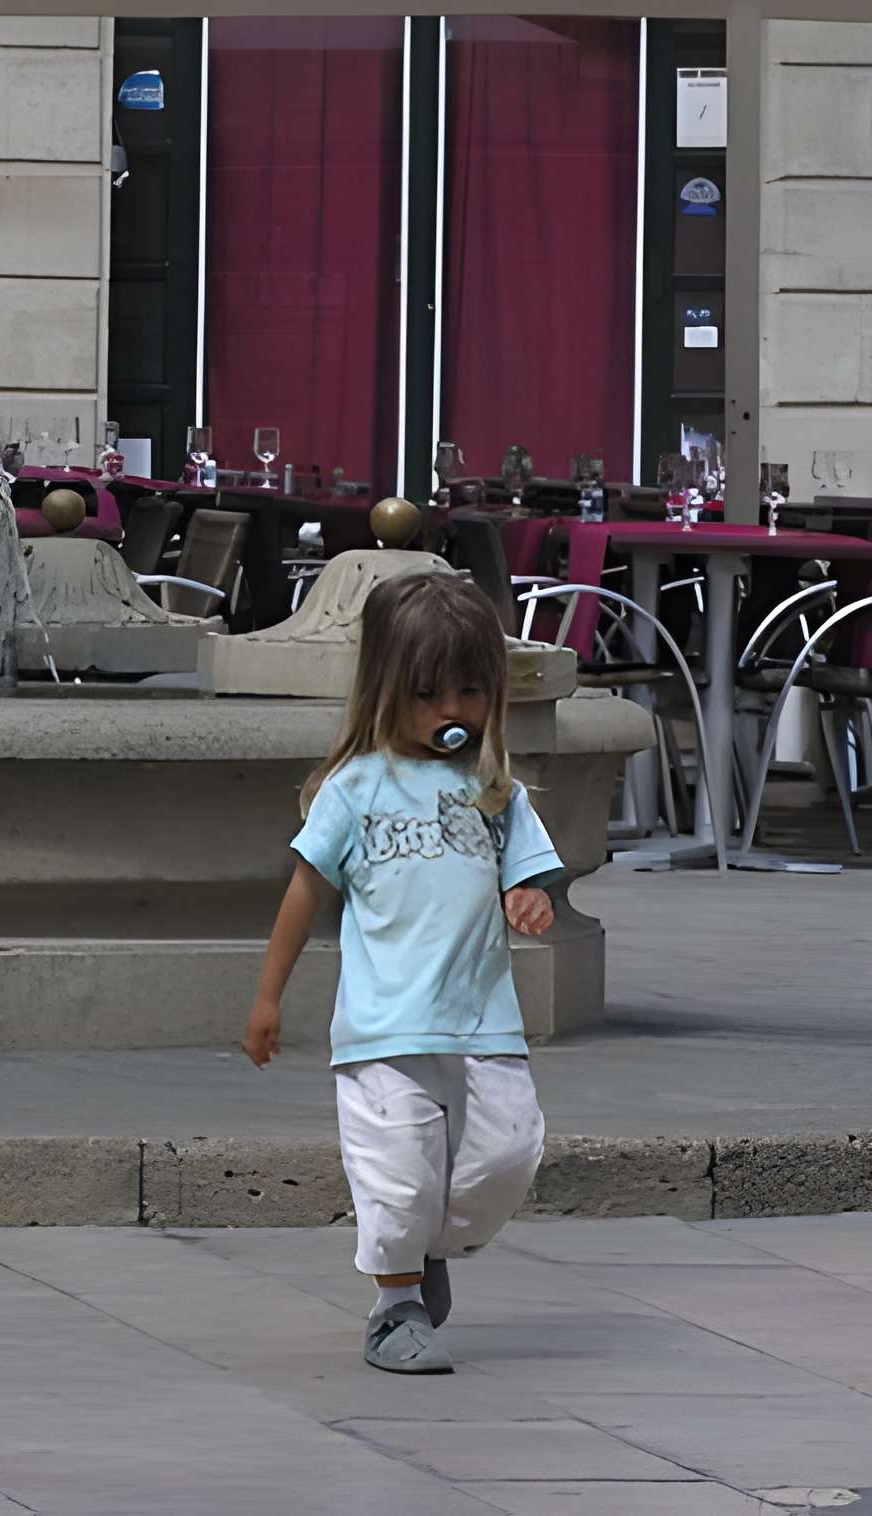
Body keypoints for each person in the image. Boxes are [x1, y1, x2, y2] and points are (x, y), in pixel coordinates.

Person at [242, 567, 562, 1376]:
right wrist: (268, 998)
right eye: (427, 694)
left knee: (509, 1153)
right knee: (399, 1175)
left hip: (483, 1020)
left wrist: (529, 898)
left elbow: (529, 876)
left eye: (469, 691)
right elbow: (303, 893)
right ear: (386, 690)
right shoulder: (354, 789)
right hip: (384, 1027)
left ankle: (426, 1251)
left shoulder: (496, 793)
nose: (452, 711)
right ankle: (395, 1308)